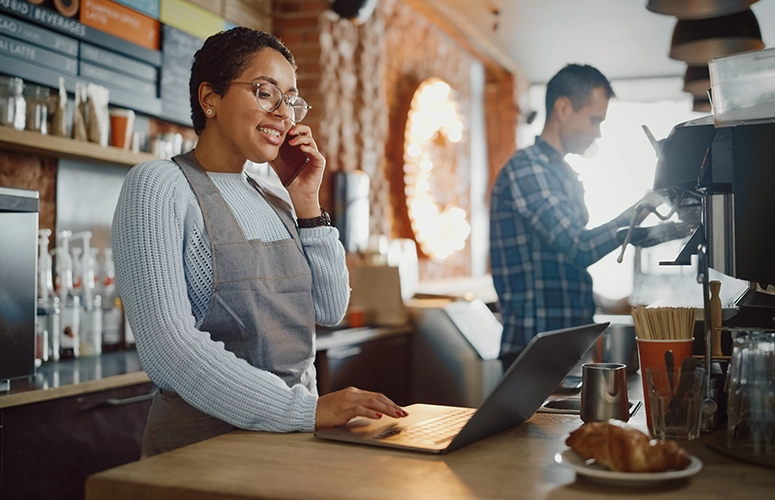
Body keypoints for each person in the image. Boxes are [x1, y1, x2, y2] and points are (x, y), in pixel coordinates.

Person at [112, 27, 407, 458]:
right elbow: (168, 349)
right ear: (209, 97)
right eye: (266, 93)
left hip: (292, 442)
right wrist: (303, 411)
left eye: (290, 100)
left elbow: (329, 308)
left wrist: (307, 201)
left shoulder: (275, 197)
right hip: (202, 452)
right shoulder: (159, 185)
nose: (285, 114)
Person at [489, 64, 687, 368]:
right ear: (563, 108)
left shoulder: (563, 174)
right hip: (534, 349)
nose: (597, 133)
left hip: (566, 342)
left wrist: (673, 228)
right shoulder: (527, 168)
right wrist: (643, 207)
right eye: (595, 120)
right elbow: (579, 248)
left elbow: (561, 267)